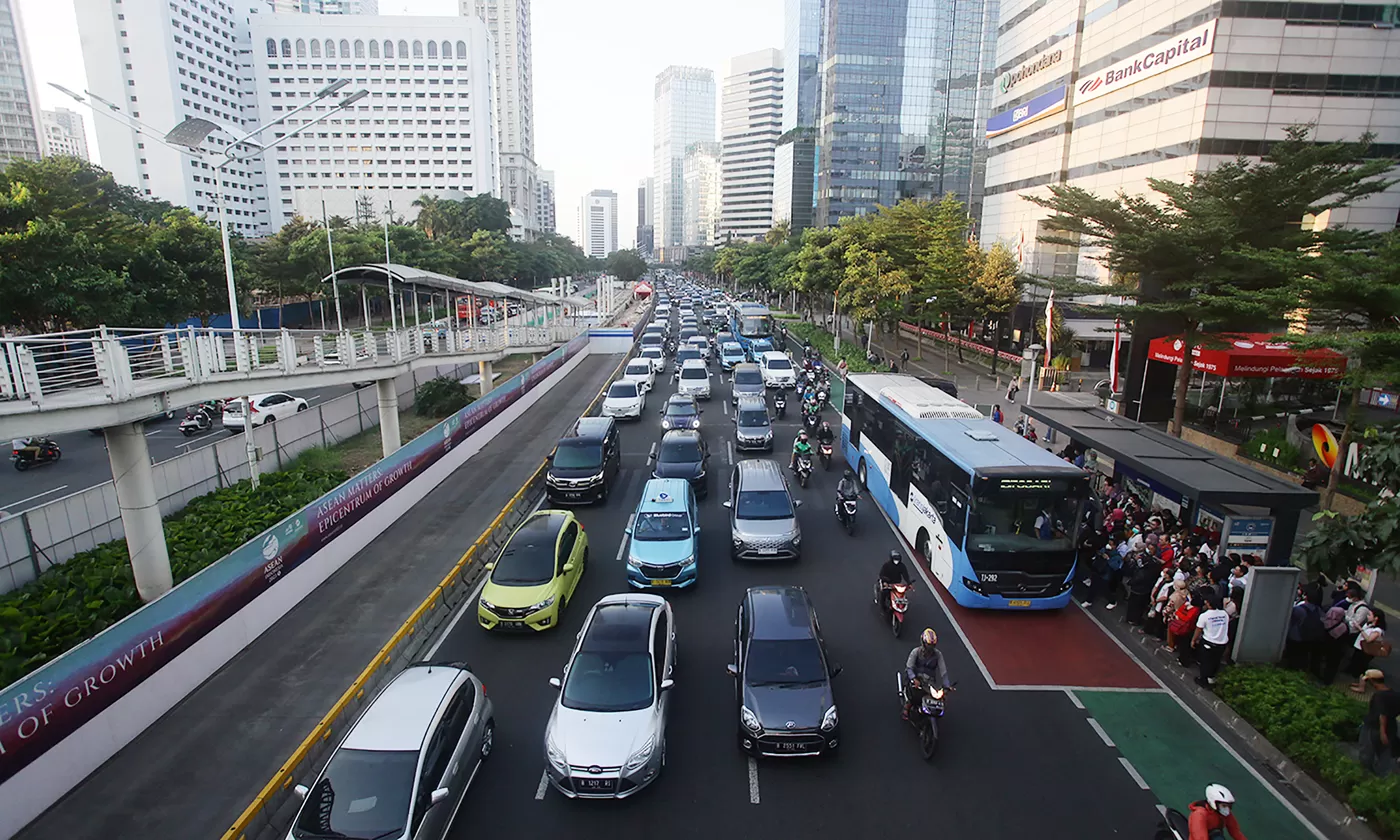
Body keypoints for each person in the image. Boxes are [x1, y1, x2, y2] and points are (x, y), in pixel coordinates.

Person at [903, 628, 951, 719]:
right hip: (916, 680)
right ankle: (907, 706)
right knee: (914, 695)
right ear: (923, 643)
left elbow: (943, 672)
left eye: (932, 646)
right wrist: (914, 678)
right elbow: (909, 668)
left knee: (939, 698)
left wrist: (947, 685)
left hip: (929, 683)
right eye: (928, 645)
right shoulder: (915, 652)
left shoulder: (938, 655)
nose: (930, 648)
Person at [1360, 670, 1400, 776]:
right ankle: (1382, 777)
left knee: (1366, 753)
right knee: (1385, 755)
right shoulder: (1395, 694)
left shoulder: (1379, 696)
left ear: (1372, 681)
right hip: (1391, 728)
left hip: (1374, 728)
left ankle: (1365, 775)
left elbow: (1382, 714)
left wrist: (1382, 732)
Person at [1193, 594, 1232, 688]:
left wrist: (1193, 640)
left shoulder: (1204, 616)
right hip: (1222, 643)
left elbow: (1198, 629)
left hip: (1208, 642)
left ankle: (1203, 680)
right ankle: (1211, 678)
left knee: (1205, 662)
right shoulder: (1224, 614)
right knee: (1216, 661)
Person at [1350, 610, 1390, 682]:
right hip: (1359, 647)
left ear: (1376, 618)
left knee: (1361, 667)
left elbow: (1369, 639)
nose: (1367, 616)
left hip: (1366, 651)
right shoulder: (1369, 624)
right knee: (1355, 663)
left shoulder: (1378, 630)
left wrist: (1360, 629)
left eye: (1369, 615)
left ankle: (1361, 684)